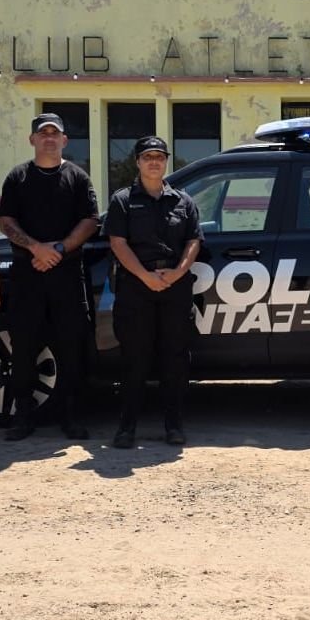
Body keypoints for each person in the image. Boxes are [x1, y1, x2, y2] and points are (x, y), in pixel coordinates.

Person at [0, 112, 100, 442]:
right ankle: (23, 416)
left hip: (67, 275)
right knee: (23, 344)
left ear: (65, 140)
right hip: (27, 275)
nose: (49, 138)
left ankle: (71, 416)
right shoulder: (18, 177)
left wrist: (59, 249)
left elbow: (90, 221)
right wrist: (36, 249)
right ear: (32, 139)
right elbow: (6, 221)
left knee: (71, 345)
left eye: (55, 133)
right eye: (43, 134)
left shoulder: (78, 177)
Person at [103, 137, 202, 448]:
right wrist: (145, 276)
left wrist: (178, 272)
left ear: (166, 161)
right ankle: (126, 427)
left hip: (175, 286)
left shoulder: (184, 201)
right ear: (137, 162)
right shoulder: (122, 200)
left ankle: (174, 426)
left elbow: (193, 241)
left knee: (175, 358)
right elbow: (118, 243)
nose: (154, 162)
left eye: (159, 156)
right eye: (148, 157)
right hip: (136, 287)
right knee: (135, 358)